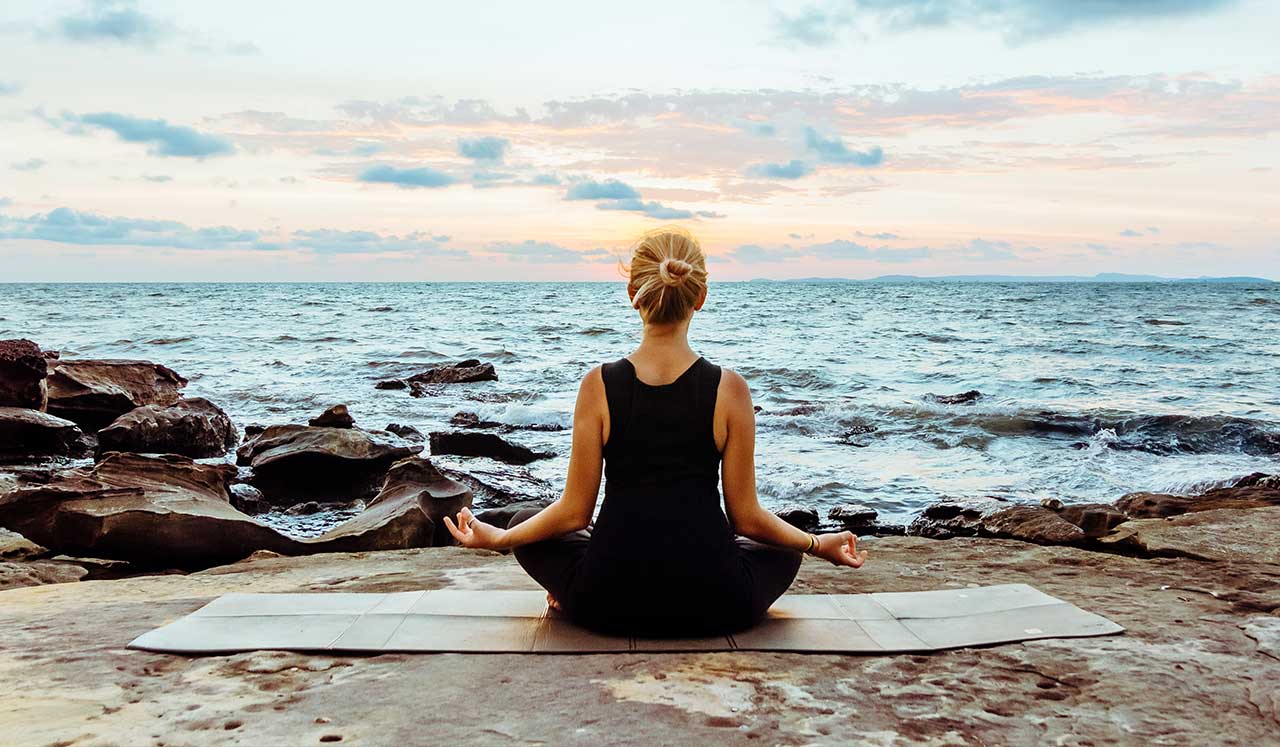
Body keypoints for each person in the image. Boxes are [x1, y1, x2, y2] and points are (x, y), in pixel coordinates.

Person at [444, 226, 869, 637]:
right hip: (718, 603)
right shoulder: (730, 389)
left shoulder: (598, 385)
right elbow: (747, 518)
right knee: (783, 546)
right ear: (700, 297)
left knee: (526, 522)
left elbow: (574, 512)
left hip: (607, 602)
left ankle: (566, 594)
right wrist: (817, 544)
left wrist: (501, 538)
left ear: (633, 293)